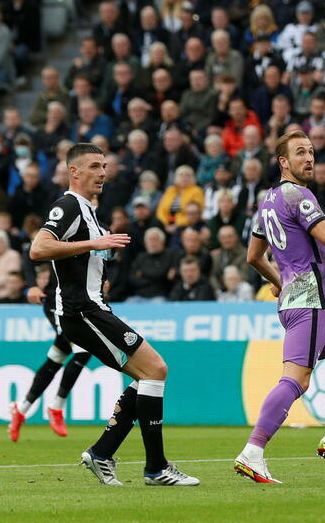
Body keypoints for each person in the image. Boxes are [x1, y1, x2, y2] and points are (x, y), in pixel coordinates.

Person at [29, 143, 199, 487]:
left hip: (93, 309)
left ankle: (103, 453)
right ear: (74, 172)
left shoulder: (88, 210)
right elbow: (39, 248)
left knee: (147, 377)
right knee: (156, 369)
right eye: (94, 166)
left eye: (104, 166)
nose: (102, 172)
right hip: (83, 312)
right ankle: (156, 468)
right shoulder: (68, 206)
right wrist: (94, 244)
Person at [234, 130, 325, 484]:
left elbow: (253, 256)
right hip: (311, 302)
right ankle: (252, 452)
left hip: (297, 302)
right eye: (300, 153)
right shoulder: (299, 195)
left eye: (312, 152)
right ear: (283, 162)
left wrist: (280, 279)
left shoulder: (268, 200)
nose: (309, 158)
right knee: (296, 379)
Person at [7, 265, 92, 441]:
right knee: (83, 351)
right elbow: (28, 257)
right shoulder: (48, 297)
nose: (43, 280)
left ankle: (21, 408)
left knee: (55, 359)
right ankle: (56, 407)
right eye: (41, 278)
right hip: (60, 307)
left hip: (79, 304)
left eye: (45, 277)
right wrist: (31, 285)